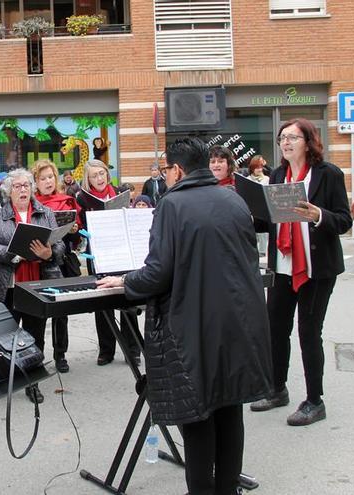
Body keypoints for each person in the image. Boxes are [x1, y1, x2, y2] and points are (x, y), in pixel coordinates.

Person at [96, 137, 272, 495]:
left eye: (166, 169)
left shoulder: (172, 204)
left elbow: (159, 272)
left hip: (193, 326)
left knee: (197, 417)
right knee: (229, 409)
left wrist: (126, 281)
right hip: (238, 323)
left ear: (176, 170)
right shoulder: (233, 198)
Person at [249, 118, 352, 426]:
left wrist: (319, 215)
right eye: (282, 138)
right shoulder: (278, 174)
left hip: (316, 268)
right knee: (275, 329)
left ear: (308, 141)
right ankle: (277, 388)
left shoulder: (327, 174)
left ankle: (314, 400)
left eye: (293, 137)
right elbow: (271, 221)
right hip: (282, 265)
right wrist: (250, 210)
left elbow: (344, 221)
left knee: (309, 333)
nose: (286, 142)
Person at [0, 168, 64, 403]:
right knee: (4, 336)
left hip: (37, 285)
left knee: (35, 335)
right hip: (7, 285)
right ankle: (5, 378)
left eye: (26, 186)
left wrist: (49, 253)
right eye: (17, 186)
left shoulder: (45, 212)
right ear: (9, 191)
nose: (22, 190)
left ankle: (32, 382)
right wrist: (13, 253)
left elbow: (59, 246)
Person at [75, 159, 140, 366]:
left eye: (101, 173)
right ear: (88, 179)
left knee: (127, 301)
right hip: (98, 254)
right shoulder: (82, 199)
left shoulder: (120, 192)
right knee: (102, 303)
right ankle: (106, 350)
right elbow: (79, 225)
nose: (99, 178)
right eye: (94, 176)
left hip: (121, 253)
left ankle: (133, 349)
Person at [33, 160, 82, 373]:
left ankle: (60, 354)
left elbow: (78, 235)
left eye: (50, 177)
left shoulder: (67, 201)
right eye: (43, 178)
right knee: (38, 313)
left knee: (61, 312)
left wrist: (75, 230)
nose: (48, 181)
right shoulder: (31, 203)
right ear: (36, 182)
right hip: (37, 264)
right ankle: (37, 355)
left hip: (61, 262)